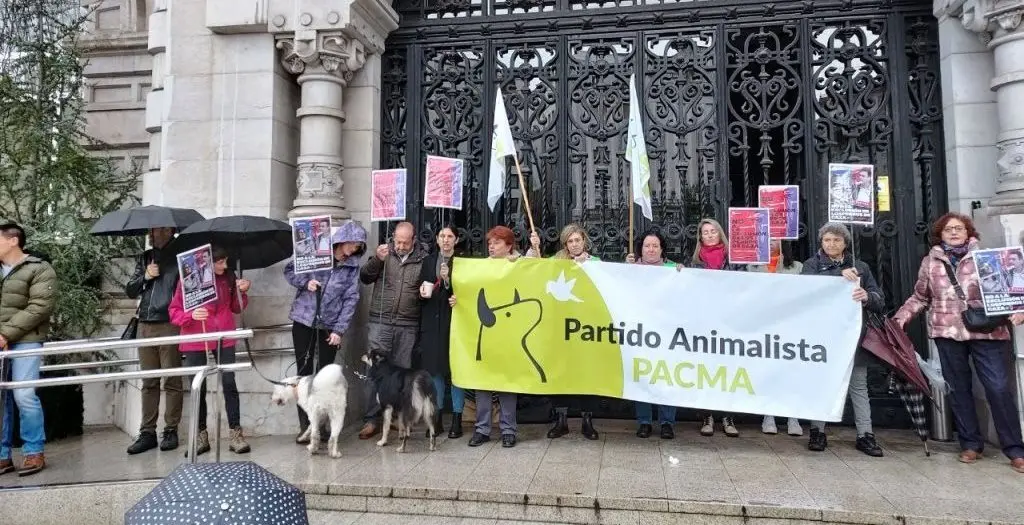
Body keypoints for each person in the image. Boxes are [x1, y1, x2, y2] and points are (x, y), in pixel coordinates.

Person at [893, 213, 1024, 473]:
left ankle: (1015, 448)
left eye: (959, 228)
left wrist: (1019, 309)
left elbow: (1011, 289)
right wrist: (900, 319)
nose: (954, 233)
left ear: (969, 232)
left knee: (998, 387)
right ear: (940, 235)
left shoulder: (986, 257)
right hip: (948, 333)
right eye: (948, 229)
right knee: (959, 389)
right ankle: (970, 444)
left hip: (987, 332)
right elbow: (920, 297)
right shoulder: (930, 263)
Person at [802, 222, 885, 457]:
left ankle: (865, 435)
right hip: (823, 337)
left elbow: (880, 299)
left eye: (837, 240)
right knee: (822, 384)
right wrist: (838, 275)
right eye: (827, 240)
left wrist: (867, 296)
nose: (831, 244)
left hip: (852, 337)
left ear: (845, 243)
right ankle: (817, 431)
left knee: (858, 387)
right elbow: (807, 292)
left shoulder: (861, 267)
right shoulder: (812, 265)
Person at [284, 221, 367, 444]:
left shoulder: (352, 267)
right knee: (303, 373)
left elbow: (351, 299)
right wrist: (305, 282)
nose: (354, 248)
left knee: (325, 377)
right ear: (341, 240)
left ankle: (320, 425)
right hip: (304, 319)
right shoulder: (316, 252)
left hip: (330, 326)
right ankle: (307, 426)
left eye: (358, 245)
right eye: (352, 243)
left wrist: (339, 330)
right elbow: (290, 270)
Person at [168, 246, 251, 456]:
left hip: (224, 335)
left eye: (226, 261)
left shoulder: (229, 278)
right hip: (196, 337)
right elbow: (174, 312)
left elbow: (236, 308)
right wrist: (191, 316)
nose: (224, 265)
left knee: (230, 383)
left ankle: (235, 432)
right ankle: (201, 435)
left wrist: (242, 292)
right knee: (199, 386)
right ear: (208, 263)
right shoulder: (186, 281)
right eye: (220, 262)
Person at [527, 224, 603, 440]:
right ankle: (561, 420)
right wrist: (534, 249)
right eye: (570, 241)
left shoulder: (595, 263)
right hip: (559, 328)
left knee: (585, 372)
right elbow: (535, 268)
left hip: (584, 328)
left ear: (584, 241)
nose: (574, 244)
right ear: (565, 245)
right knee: (559, 371)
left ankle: (587, 420)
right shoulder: (558, 262)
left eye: (577, 240)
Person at [450, 226, 522, 448]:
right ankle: (482, 429)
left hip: (508, 333)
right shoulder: (479, 268)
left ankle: (508, 430)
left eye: (497, 243)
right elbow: (467, 293)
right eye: (490, 243)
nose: (491, 246)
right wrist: (457, 300)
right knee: (482, 381)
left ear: (509, 246)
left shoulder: (519, 267)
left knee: (507, 383)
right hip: (484, 332)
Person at [358, 221, 428, 439]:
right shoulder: (384, 253)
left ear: (413, 241)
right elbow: (365, 277)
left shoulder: (423, 259)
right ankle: (371, 419)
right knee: (374, 373)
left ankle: (398, 417)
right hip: (381, 322)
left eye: (405, 242)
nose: (400, 246)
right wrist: (377, 260)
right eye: (397, 241)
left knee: (401, 375)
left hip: (408, 323)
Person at [0, 223, 57, 477]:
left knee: (24, 395)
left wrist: (5, 334)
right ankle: (2, 456)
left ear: (13, 240)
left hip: (26, 340)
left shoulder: (39, 268)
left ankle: (34, 452)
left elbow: (40, 307)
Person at [124, 226, 183, 455]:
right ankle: (147, 431)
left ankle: (170, 429)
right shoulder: (145, 258)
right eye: (150, 230)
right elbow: (130, 289)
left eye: (156, 230)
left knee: (172, 380)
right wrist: (146, 276)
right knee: (149, 381)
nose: (151, 233)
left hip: (170, 322)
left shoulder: (180, 257)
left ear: (169, 231)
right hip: (146, 323)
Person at [690, 218, 745, 437]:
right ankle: (707, 417)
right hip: (705, 322)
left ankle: (728, 417)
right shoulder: (695, 262)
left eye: (713, 231)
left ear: (720, 233)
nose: (710, 235)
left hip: (729, 321)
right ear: (700, 237)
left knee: (728, 370)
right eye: (706, 232)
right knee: (707, 371)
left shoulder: (734, 259)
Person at [625, 229, 681, 439]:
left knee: (667, 376)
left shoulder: (672, 269)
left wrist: (681, 273)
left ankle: (667, 422)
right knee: (643, 377)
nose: (650, 249)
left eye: (655, 246)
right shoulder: (632, 269)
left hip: (666, 333)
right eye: (647, 246)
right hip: (640, 334)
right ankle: (645, 422)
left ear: (661, 249)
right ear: (641, 248)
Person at [749, 239, 804, 437]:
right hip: (763, 325)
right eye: (768, 238)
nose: (771, 242)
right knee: (768, 370)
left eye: (776, 239)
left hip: (789, 326)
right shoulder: (752, 266)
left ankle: (792, 416)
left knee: (790, 371)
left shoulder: (797, 267)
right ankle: (769, 415)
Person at [415, 225, 464, 438]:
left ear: (457, 240)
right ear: (436, 239)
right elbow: (419, 289)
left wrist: (447, 281)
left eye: (450, 236)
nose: (446, 240)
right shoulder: (428, 261)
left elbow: (468, 292)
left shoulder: (463, 263)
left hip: (455, 324)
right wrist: (421, 293)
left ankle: (457, 419)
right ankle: (436, 418)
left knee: (456, 374)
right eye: (442, 236)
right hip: (431, 325)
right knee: (435, 373)